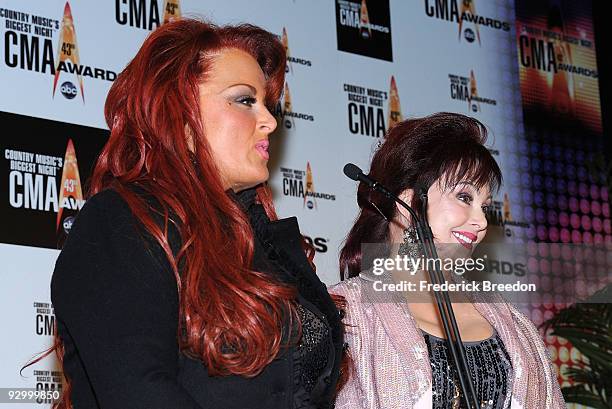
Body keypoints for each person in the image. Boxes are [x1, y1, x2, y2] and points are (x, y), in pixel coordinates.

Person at [50, 19, 345, 409]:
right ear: (182, 116)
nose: (270, 121)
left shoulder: (268, 245)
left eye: (268, 105)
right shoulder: (122, 222)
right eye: (244, 100)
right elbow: (139, 391)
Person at [330, 113, 565, 408]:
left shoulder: (515, 325)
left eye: (485, 207)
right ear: (407, 204)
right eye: (464, 197)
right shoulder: (343, 314)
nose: (480, 221)